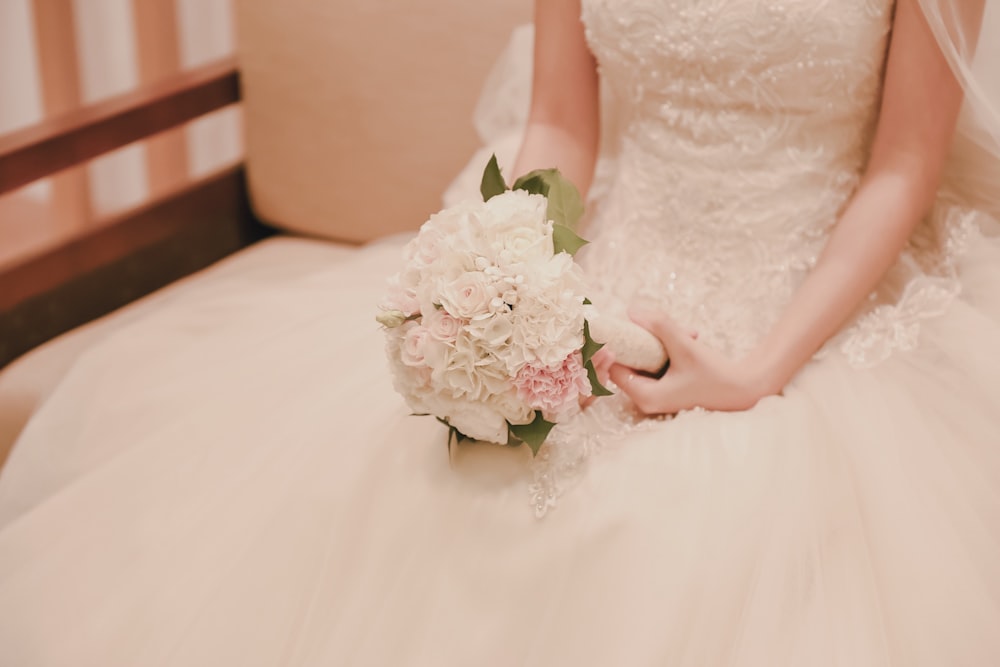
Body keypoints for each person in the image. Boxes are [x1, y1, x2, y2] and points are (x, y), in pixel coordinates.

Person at [1, 0, 999, 664]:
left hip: (813, 299)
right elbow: (561, 124)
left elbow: (902, 169)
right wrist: (504, 276)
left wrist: (755, 371)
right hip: (611, 268)